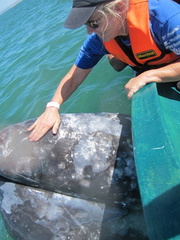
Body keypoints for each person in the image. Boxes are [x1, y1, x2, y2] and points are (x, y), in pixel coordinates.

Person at [28, 0, 180, 142]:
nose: (89, 31)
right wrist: (52, 107)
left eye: (94, 23)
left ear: (119, 8)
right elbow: (73, 77)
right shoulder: (98, 40)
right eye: (87, 25)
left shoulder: (164, 19)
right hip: (151, 61)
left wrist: (150, 75)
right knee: (117, 62)